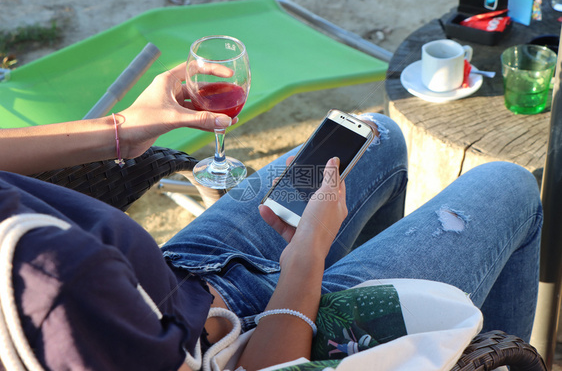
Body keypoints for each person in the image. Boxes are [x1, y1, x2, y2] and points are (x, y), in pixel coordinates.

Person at [0, 64, 542, 371]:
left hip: (186, 272)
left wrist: (124, 128)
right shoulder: (51, 286)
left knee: (377, 133)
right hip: (261, 335)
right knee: (511, 184)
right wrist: (304, 258)